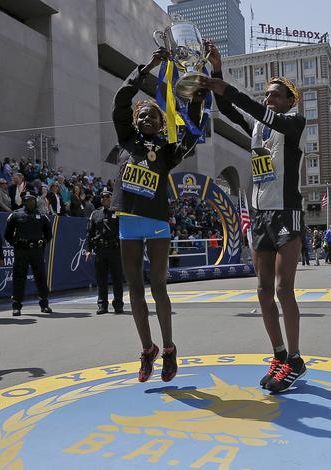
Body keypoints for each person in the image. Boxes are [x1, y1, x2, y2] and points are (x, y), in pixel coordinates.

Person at [202, 41, 308, 393]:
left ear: (290, 101)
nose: (269, 99)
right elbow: (226, 107)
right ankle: (278, 353)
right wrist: (217, 74)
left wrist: (228, 86)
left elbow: (257, 111)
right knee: (262, 290)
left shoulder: (294, 123)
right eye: (266, 95)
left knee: (283, 289)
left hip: (286, 212)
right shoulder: (259, 128)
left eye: (276, 95)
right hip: (260, 214)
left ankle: (295, 358)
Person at [111, 46, 203, 384]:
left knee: (158, 288)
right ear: (134, 121)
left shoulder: (166, 152)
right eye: (142, 115)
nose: (147, 119)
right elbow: (122, 99)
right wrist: (148, 66)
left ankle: (168, 349)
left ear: (161, 123)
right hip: (128, 225)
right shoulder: (124, 140)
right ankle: (146, 348)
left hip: (157, 224)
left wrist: (194, 90)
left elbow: (193, 132)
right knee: (134, 288)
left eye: (154, 116)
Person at [4, 193, 53, 316]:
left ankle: (44, 304)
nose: (30, 202)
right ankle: (16, 306)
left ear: (35, 202)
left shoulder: (42, 216)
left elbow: (48, 235)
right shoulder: (15, 215)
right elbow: (8, 234)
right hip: (21, 251)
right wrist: (17, 243)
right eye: (27, 200)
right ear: (23, 201)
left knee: (40, 277)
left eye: (32, 200)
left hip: (37, 251)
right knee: (19, 277)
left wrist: (41, 244)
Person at [86, 190, 124, 315]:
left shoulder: (119, 212)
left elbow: (124, 232)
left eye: (108, 196)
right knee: (101, 279)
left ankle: (118, 305)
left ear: (112, 198)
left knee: (117, 279)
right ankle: (102, 305)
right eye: (102, 197)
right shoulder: (95, 214)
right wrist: (88, 250)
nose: (105, 199)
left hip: (115, 250)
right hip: (100, 250)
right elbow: (90, 233)